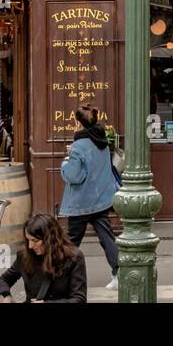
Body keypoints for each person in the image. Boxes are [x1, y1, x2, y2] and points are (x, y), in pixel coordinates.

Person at [59, 103, 120, 290]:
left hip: (81, 202)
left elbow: (73, 176)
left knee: (71, 242)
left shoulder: (78, 146)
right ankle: (119, 273)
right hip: (100, 199)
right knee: (106, 237)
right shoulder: (101, 140)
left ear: (78, 123)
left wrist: (66, 161)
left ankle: (60, 279)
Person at [0, 212, 87, 303]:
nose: (30, 246)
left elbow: (79, 299)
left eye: (35, 240)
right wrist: (5, 295)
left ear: (50, 239)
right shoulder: (24, 256)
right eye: (28, 240)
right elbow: (4, 280)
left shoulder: (74, 257)